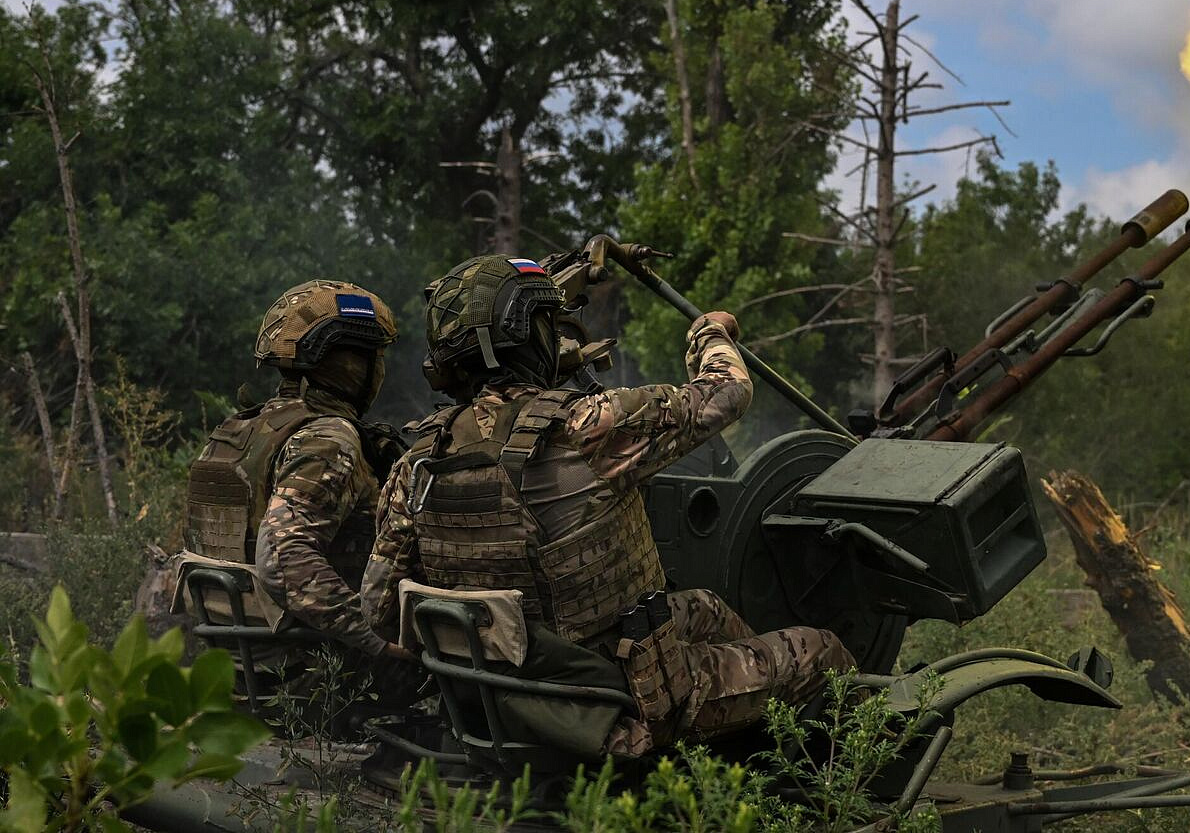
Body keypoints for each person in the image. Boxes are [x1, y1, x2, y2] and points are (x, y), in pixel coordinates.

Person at [361, 254, 854, 759]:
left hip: (500, 698)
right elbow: (728, 392)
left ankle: (737, 739)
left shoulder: (417, 464)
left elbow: (378, 608)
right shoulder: (589, 427)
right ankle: (792, 782)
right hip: (621, 699)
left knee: (704, 608)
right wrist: (710, 332)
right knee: (823, 650)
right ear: (530, 334)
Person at [183, 279, 413, 664]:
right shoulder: (327, 436)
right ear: (353, 365)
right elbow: (283, 558)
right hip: (312, 663)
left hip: (235, 662)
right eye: (375, 358)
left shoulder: (240, 430)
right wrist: (375, 638)